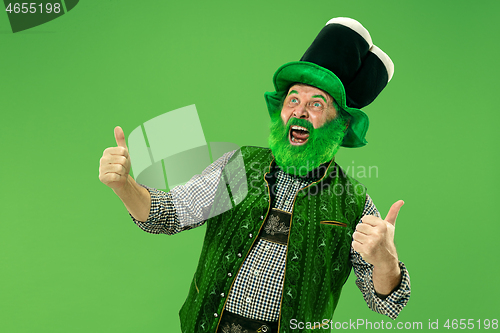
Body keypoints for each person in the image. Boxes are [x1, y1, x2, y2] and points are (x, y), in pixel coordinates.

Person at [99, 17, 411, 333]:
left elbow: (386, 302)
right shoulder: (238, 166)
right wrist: (124, 185)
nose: (299, 111)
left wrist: (386, 261)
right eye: (294, 99)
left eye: (316, 103)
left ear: (341, 125)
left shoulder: (354, 202)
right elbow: (167, 215)